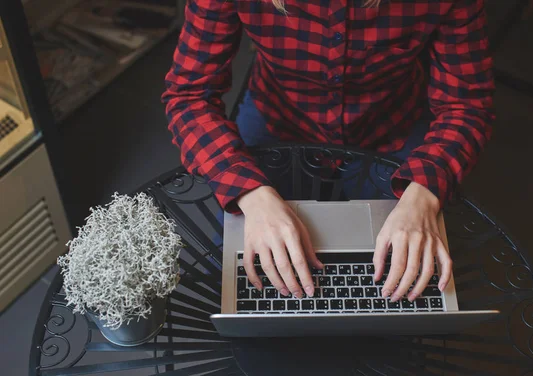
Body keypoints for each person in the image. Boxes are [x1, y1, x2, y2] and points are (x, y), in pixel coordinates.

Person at [163, 0, 495, 304]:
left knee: (410, 290)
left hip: (391, 129)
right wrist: (251, 194)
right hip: (277, 120)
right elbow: (189, 95)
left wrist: (422, 196)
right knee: (233, 279)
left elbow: (466, 105)